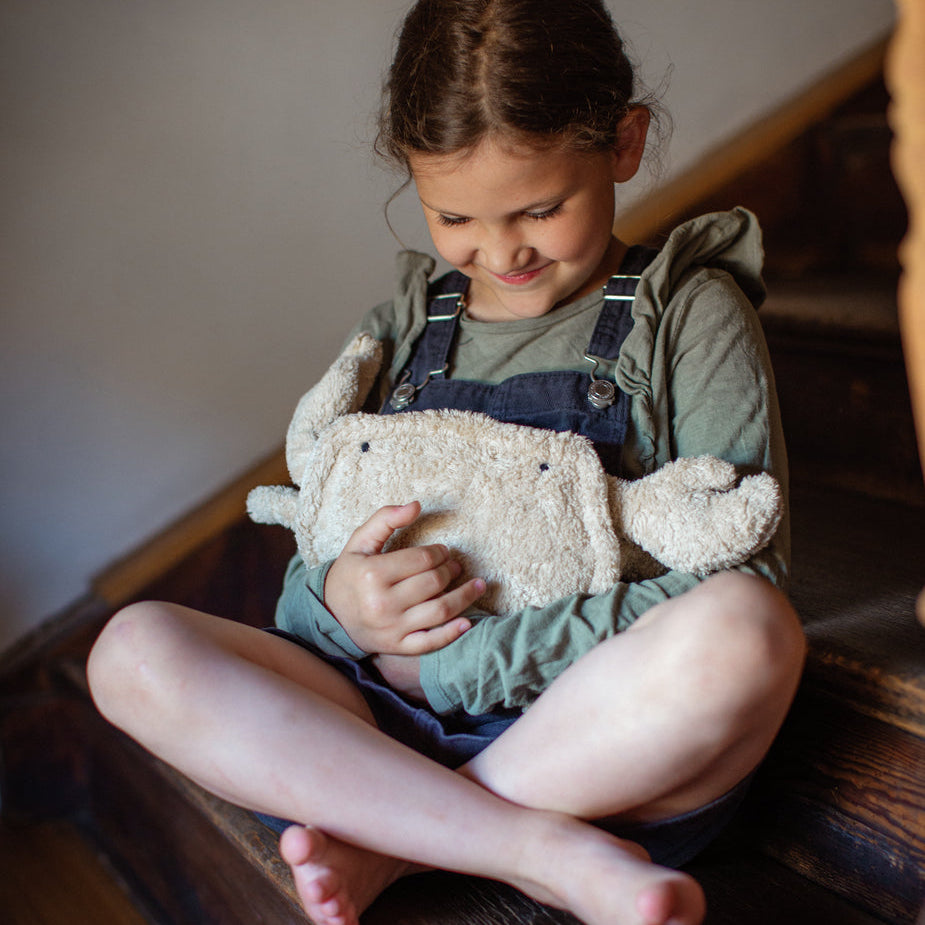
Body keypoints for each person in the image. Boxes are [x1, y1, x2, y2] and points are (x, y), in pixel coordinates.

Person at [87, 2, 807, 923]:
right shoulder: (402, 327)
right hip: (374, 722)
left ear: (624, 145)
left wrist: (459, 672)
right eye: (454, 215)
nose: (501, 251)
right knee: (131, 653)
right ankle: (520, 844)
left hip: (591, 745)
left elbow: (741, 564)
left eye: (541, 209)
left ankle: (402, 838)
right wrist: (339, 604)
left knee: (749, 629)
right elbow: (316, 558)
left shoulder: (687, 313)